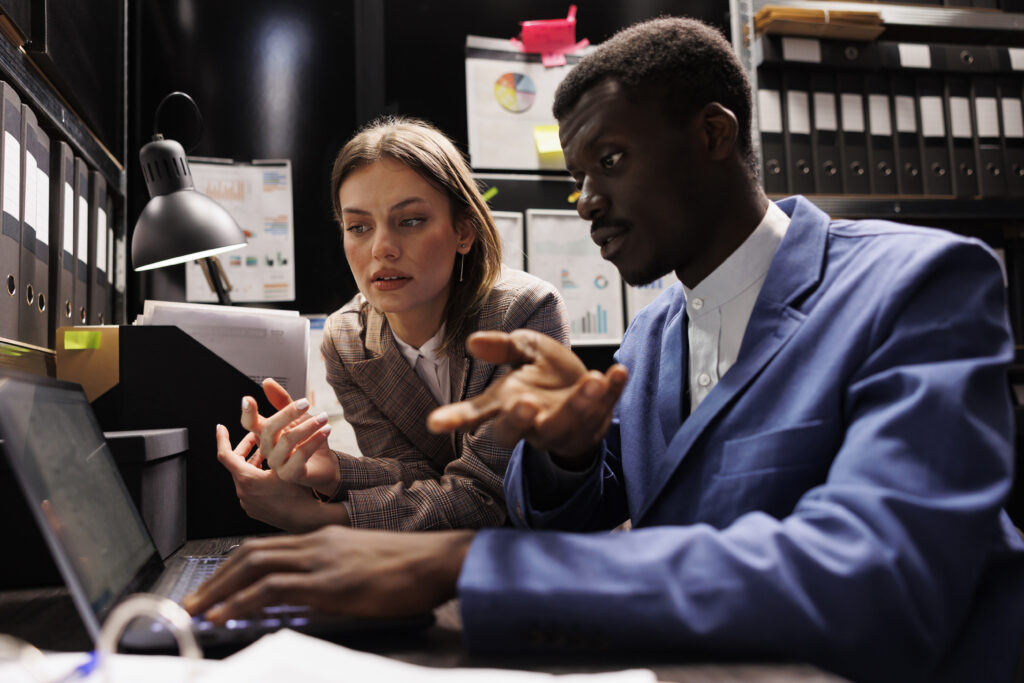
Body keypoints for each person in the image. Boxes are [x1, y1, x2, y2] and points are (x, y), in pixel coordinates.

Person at [186, 17, 1024, 682]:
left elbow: (877, 575)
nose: (587, 202)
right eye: (578, 173)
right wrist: (568, 454)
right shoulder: (658, 328)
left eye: (610, 161)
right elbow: (587, 504)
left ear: (713, 135)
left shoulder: (920, 283)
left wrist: (459, 562)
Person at [216, 116, 569, 532]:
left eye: (411, 220)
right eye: (359, 227)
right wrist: (332, 472)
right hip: (435, 559)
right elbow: (415, 476)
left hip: (544, 556)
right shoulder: (346, 340)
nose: (381, 248)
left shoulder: (523, 313)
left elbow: (488, 497)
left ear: (464, 232)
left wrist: (320, 518)